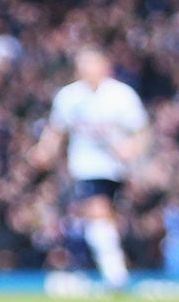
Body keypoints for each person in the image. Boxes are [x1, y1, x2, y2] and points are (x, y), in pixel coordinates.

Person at [29, 48, 150, 287]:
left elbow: (142, 131)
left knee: (108, 218)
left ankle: (117, 265)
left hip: (119, 167)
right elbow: (56, 129)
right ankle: (114, 274)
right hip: (87, 166)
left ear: (104, 66)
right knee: (97, 209)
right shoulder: (69, 97)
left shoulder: (121, 95)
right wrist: (44, 150)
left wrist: (133, 148)